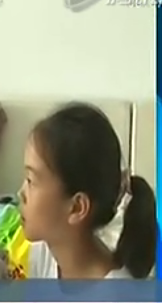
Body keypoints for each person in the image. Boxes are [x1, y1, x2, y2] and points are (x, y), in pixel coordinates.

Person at [19, 102, 156, 279]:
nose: (21, 193)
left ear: (77, 208)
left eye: (31, 181)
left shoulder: (117, 292)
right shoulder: (43, 252)